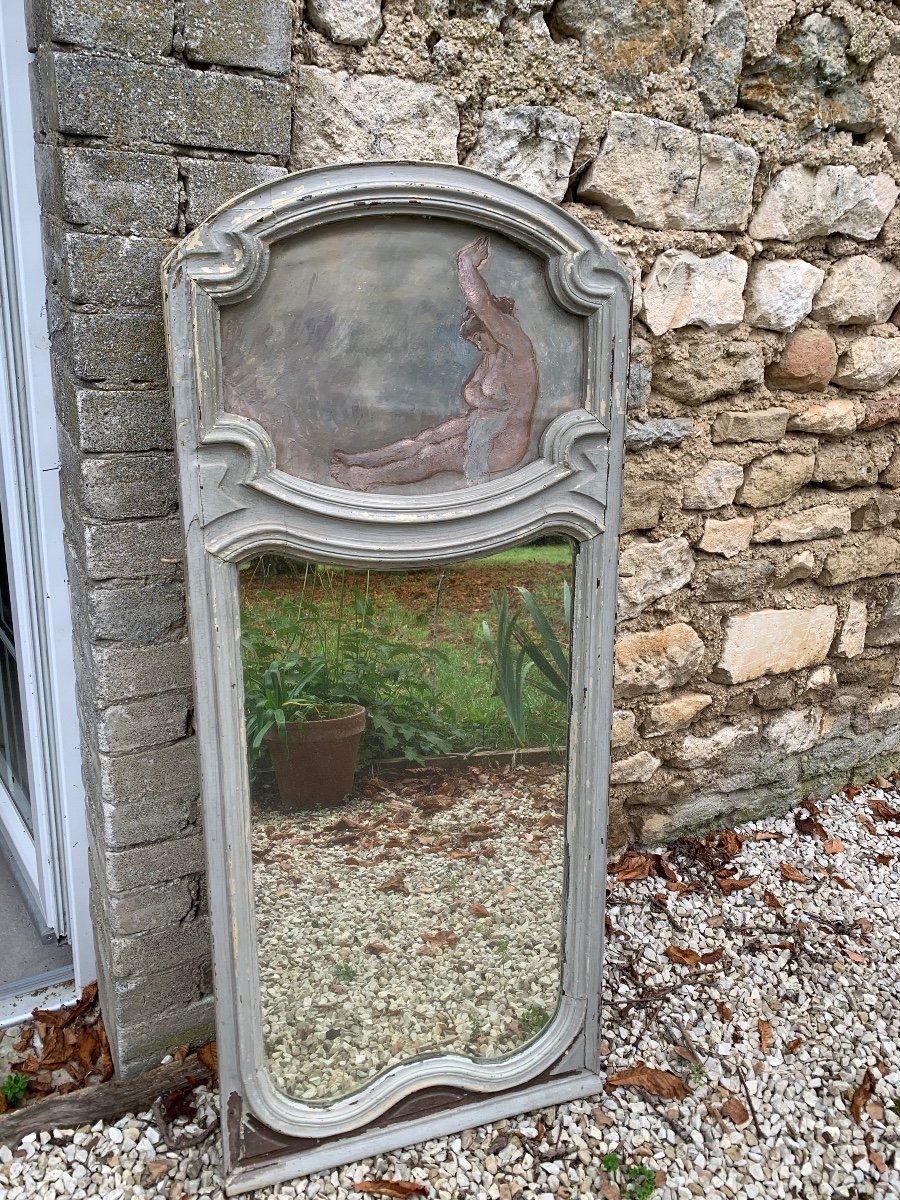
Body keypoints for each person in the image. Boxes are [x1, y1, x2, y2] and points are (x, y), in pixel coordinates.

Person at [330, 235, 539, 490]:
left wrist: (466, 264)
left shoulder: (518, 349)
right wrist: (490, 403)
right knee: (429, 437)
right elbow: (471, 391)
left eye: (481, 338)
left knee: (433, 454)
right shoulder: (491, 357)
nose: (480, 346)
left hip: (503, 442)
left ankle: (365, 478)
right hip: (484, 424)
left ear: (497, 328)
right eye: (475, 343)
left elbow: (481, 304)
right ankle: (364, 460)